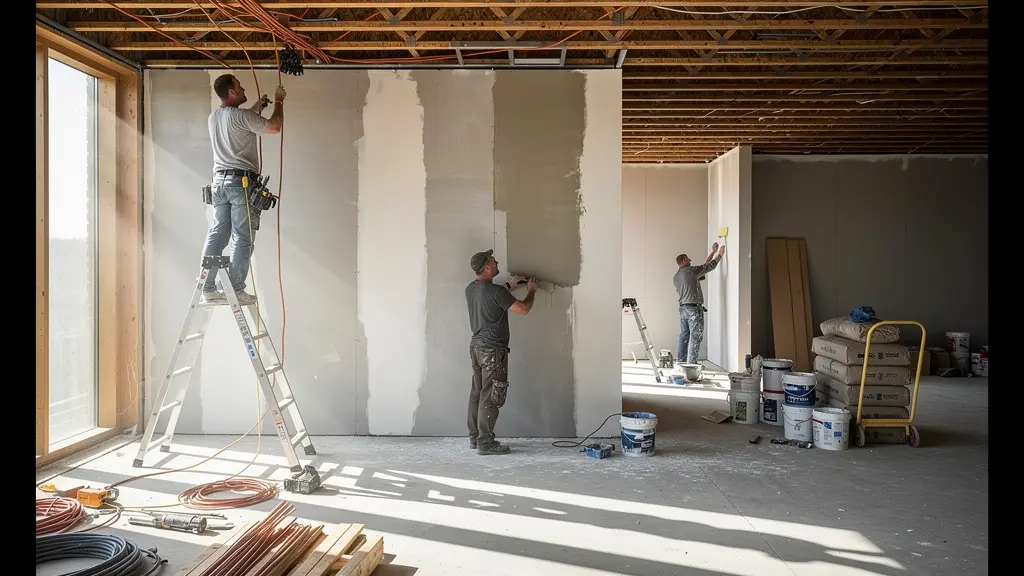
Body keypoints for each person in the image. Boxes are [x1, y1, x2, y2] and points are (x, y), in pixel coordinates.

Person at [200, 74, 287, 305]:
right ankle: (236, 289)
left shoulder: (214, 117)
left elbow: (239, 122)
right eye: (239, 86)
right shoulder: (242, 116)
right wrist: (279, 101)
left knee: (218, 234)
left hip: (219, 184)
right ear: (232, 92)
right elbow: (274, 127)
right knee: (243, 237)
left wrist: (258, 106)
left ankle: (207, 288)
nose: (243, 88)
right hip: (240, 184)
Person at [464, 249, 538, 455]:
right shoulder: (497, 292)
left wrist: (510, 286)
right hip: (493, 351)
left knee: (477, 393)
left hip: (476, 348)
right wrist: (531, 290)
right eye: (493, 261)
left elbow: (493, 297)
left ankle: (475, 438)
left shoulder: (470, 289)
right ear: (487, 267)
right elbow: (523, 309)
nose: (496, 262)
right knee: (491, 395)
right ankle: (486, 443)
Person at [673, 242, 726, 364]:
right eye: (687, 259)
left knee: (683, 336)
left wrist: (713, 252)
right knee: (695, 336)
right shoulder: (691, 271)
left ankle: (681, 362)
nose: (690, 259)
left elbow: (703, 267)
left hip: (683, 309)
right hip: (693, 309)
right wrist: (719, 255)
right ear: (683, 261)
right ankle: (691, 365)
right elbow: (709, 267)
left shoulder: (676, 276)